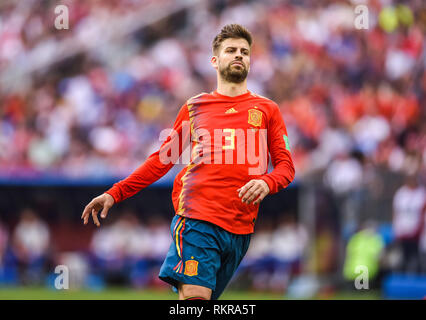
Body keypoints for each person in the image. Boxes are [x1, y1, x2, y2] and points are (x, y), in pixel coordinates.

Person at [81, 24, 295, 300]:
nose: (239, 55)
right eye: (231, 50)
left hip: (240, 228)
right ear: (215, 61)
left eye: (245, 51)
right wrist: (115, 192)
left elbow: (286, 167)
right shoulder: (195, 107)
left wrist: (267, 182)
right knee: (196, 297)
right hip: (197, 218)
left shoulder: (268, 110)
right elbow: (161, 160)